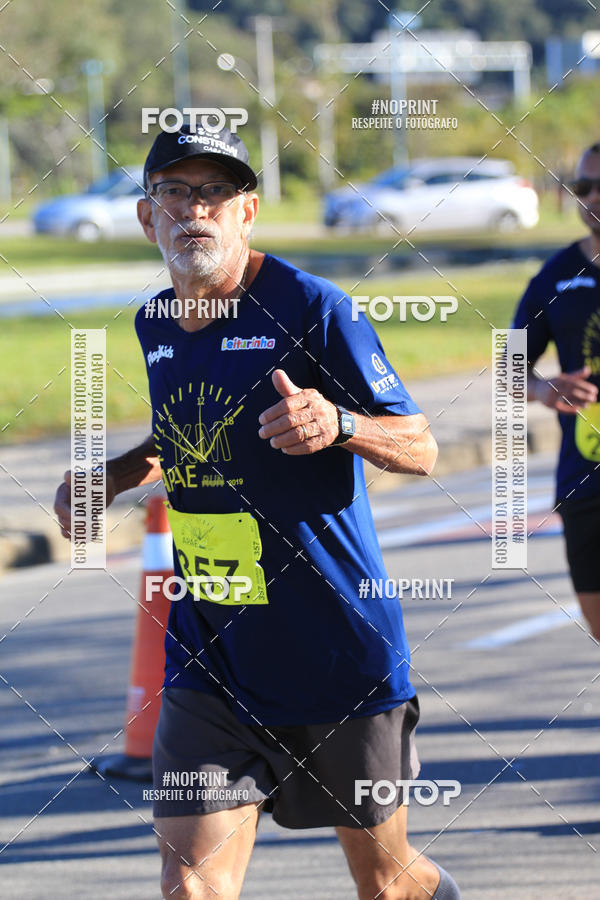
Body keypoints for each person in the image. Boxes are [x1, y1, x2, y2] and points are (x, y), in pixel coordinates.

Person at [54, 123, 460, 900]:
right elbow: (182, 437)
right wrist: (108, 479)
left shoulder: (313, 307)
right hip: (212, 655)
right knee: (191, 885)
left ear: (247, 212)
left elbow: (420, 445)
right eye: (175, 192)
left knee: (387, 884)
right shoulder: (155, 324)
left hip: (337, 653)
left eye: (215, 193)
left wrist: (338, 424)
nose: (194, 211)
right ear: (148, 217)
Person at [512, 141, 600, 642]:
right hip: (586, 480)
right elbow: (508, 369)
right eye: (582, 186)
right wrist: (545, 390)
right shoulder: (556, 277)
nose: (592, 196)